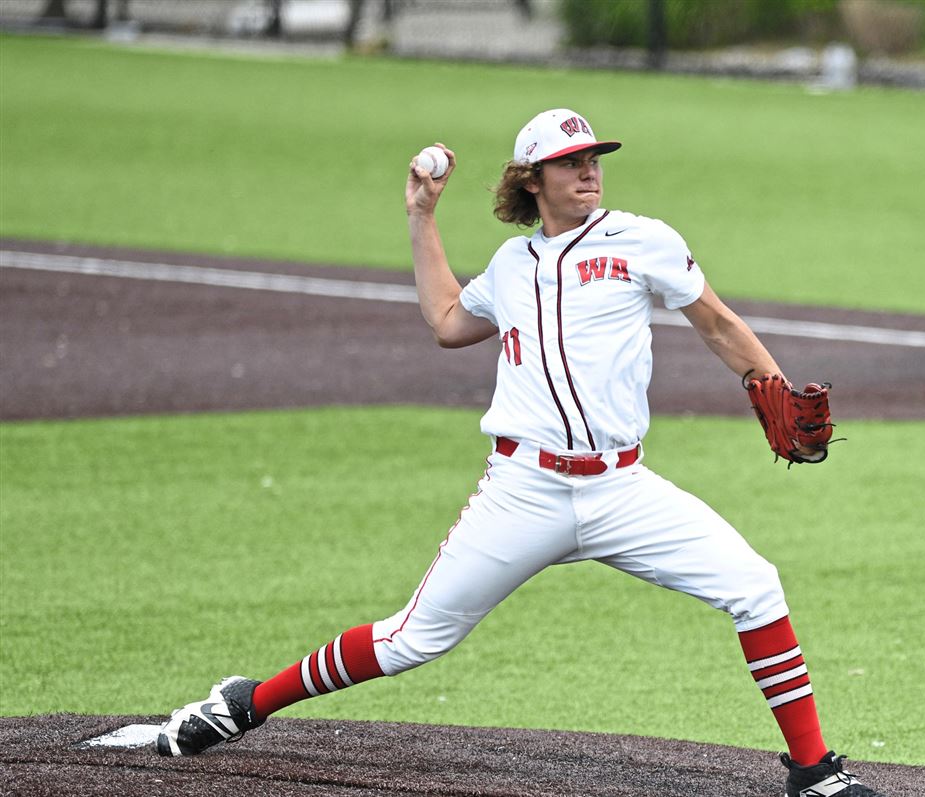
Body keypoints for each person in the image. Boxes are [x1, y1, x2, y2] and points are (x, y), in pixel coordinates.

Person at [156, 108, 886, 797]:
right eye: (569, 162)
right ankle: (247, 700)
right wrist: (421, 215)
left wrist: (775, 384)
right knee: (413, 639)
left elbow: (719, 323)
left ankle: (814, 772)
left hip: (623, 491)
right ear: (531, 179)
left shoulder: (643, 240)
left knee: (755, 586)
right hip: (523, 491)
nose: (588, 170)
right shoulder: (510, 265)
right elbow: (446, 320)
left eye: (593, 157)